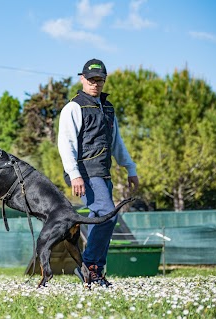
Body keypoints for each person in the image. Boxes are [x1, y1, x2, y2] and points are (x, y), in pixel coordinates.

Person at [57, 58, 139, 287]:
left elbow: (116, 142)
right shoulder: (73, 107)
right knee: (107, 212)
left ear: (104, 80)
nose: (95, 83)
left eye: (99, 79)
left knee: (97, 219)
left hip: (103, 173)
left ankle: (93, 273)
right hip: (84, 173)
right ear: (82, 79)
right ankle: (90, 266)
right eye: (91, 79)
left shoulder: (108, 108)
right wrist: (74, 174)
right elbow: (66, 143)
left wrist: (130, 168)